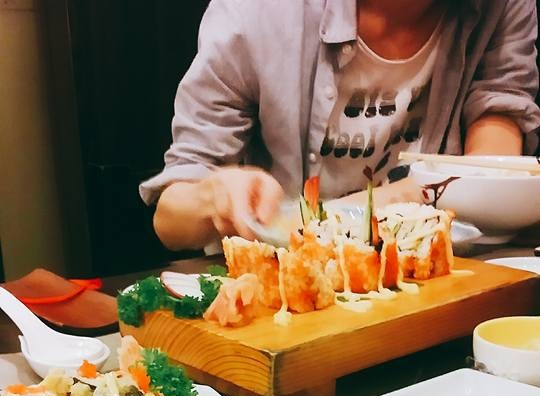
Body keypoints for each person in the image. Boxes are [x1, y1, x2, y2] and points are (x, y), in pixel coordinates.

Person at [141, 0, 540, 251]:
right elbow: (170, 220)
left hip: (436, 279)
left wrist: (469, 195)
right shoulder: (256, 12)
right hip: (290, 282)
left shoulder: (502, 7)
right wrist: (214, 196)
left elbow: (500, 119)